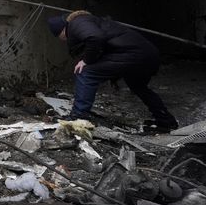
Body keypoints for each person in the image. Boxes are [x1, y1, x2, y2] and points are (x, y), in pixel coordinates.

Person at [48, 10, 178, 133]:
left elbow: (95, 37)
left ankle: (78, 117)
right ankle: (165, 121)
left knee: (85, 72)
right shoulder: (89, 21)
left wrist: (86, 60)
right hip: (146, 54)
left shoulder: (77, 23)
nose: (62, 40)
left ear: (62, 30)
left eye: (60, 37)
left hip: (133, 54)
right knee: (139, 87)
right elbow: (105, 44)